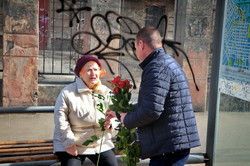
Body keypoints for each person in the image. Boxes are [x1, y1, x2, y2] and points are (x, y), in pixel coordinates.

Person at [105, 26, 201, 166]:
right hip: (172, 144)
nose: (136, 51)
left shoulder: (156, 67)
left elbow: (151, 111)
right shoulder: (167, 62)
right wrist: (119, 112)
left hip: (168, 147)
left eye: (135, 47)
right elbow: (151, 104)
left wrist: (126, 120)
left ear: (141, 44)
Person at [53, 55, 118, 166]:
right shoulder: (68, 92)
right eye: (89, 70)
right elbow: (60, 119)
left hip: (100, 144)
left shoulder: (106, 92)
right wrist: (69, 143)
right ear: (80, 74)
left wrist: (111, 124)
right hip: (74, 143)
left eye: (96, 70)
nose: (93, 73)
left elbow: (116, 116)